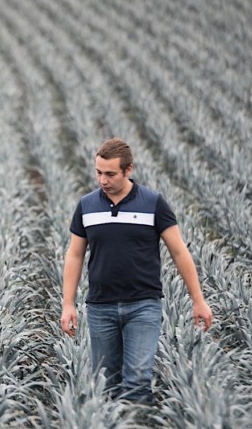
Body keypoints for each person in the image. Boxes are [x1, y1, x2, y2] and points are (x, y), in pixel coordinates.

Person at [61, 138, 212, 404]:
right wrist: (67, 304)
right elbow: (74, 255)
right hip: (100, 307)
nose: (103, 180)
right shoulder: (86, 206)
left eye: (110, 174)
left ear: (128, 170)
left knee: (138, 379)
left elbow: (180, 252)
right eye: (98, 172)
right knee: (106, 383)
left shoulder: (153, 203)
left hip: (143, 305)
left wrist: (198, 300)